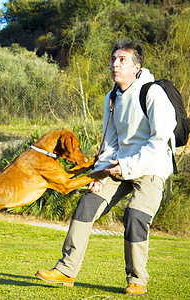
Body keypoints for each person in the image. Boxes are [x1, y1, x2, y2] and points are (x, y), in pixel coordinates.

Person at [35, 38, 177, 295]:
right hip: (118, 164)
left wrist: (127, 166)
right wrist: (98, 173)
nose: (115, 64)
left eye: (122, 60)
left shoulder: (153, 93)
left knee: (135, 215)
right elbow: (109, 141)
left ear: (137, 67)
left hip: (152, 166)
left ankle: (137, 279)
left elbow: (159, 142)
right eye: (113, 59)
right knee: (87, 203)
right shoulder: (111, 97)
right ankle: (66, 271)